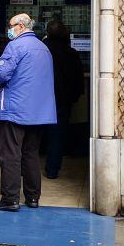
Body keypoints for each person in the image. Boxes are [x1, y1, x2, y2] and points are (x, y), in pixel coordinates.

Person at [0, 13, 56, 212]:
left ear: (19, 26)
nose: (9, 30)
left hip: (15, 109)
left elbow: (2, 74)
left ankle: (10, 198)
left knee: (10, 154)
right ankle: (33, 197)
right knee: (31, 154)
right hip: (38, 112)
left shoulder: (16, 46)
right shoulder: (43, 48)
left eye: (10, 26)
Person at [43, 20, 85, 179]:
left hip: (39, 100)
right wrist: (73, 97)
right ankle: (52, 170)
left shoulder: (41, 50)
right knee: (57, 136)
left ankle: (25, 169)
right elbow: (77, 79)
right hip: (61, 101)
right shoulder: (71, 53)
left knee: (32, 135)